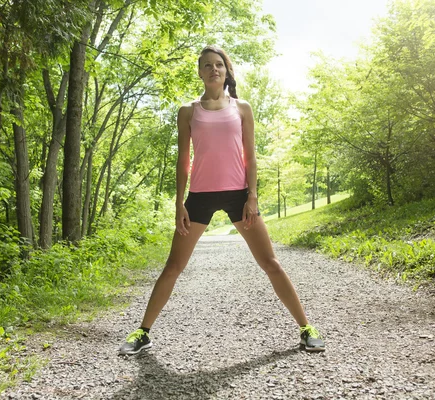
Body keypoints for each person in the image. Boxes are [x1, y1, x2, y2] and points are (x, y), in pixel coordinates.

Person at [119, 45, 324, 355]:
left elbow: (250, 157)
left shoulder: (242, 108)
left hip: (238, 195)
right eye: (207, 65)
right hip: (199, 196)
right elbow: (182, 159)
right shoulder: (188, 111)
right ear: (200, 72)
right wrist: (179, 204)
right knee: (173, 267)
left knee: (270, 263)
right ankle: (143, 332)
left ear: (226, 71)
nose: (214, 69)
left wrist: (252, 196)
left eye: (219, 64)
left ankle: (306, 329)